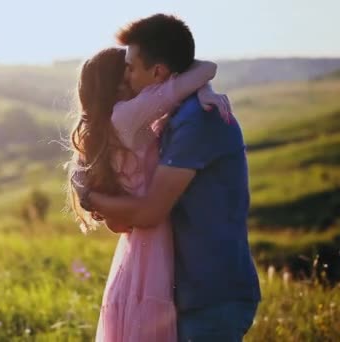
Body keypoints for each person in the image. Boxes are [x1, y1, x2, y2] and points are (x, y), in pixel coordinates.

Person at [70, 14, 261, 341]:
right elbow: (199, 70)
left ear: (157, 71)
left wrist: (89, 196)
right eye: (124, 71)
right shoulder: (151, 118)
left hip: (210, 295)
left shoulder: (197, 118)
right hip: (180, 285)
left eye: (131, 67)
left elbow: (146, 213)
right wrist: (202, 81)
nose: (128, 77)